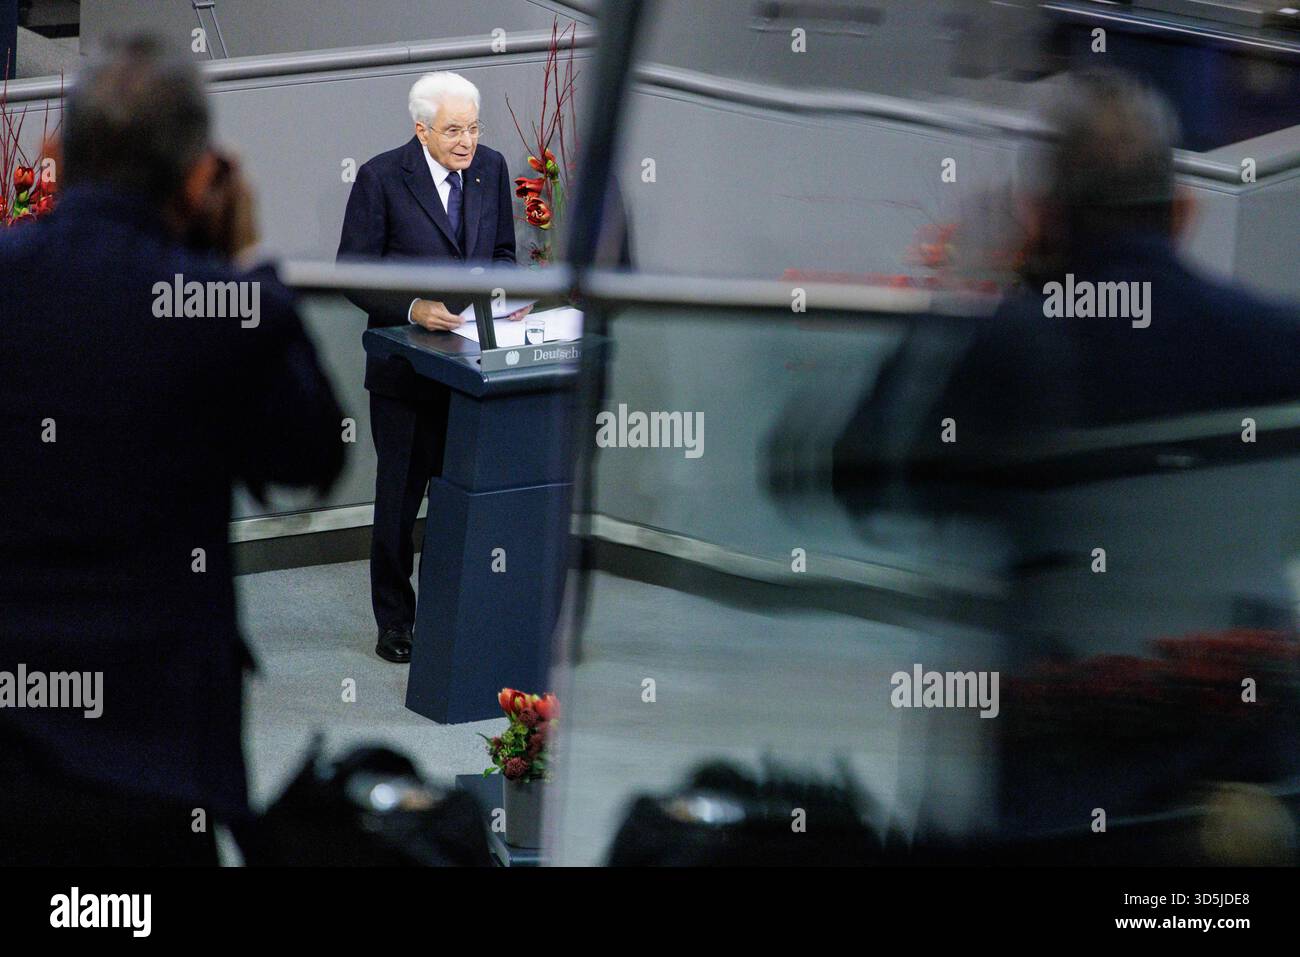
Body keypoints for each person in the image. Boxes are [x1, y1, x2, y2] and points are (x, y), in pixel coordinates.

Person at [0, 34, 345, 865]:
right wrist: (249, 264)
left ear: (55, 153)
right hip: (152, 761)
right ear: (198, 178)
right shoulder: (225, 308)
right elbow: (310, 457)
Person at [337, 71, 524, 663]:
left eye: (473, 128)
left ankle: (450, 614)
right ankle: (395, 623)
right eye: (452, 131)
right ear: (421, 130)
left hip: (472, 368)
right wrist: (415, 308)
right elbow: (353, 271)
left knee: (459, 499)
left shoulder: (491, 168)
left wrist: (501, 299)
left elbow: (501, 255)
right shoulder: (382, 177)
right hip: (406, 372)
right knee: (399, 502)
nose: (466, 142)